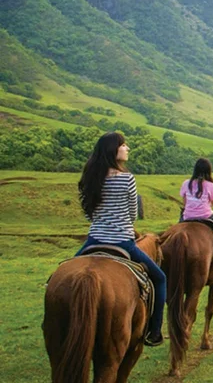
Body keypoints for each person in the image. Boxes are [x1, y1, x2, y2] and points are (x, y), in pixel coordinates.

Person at [76, 132, 166, 347]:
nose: (127, 149)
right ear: (113, 150)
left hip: (94, 240)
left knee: (55, 278)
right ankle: (154, 331)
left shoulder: (90, 177)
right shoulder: (127, 178)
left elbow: (88, 212)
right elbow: (133, 213)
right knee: (160, 278)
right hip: (123, 242)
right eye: (123, 145)